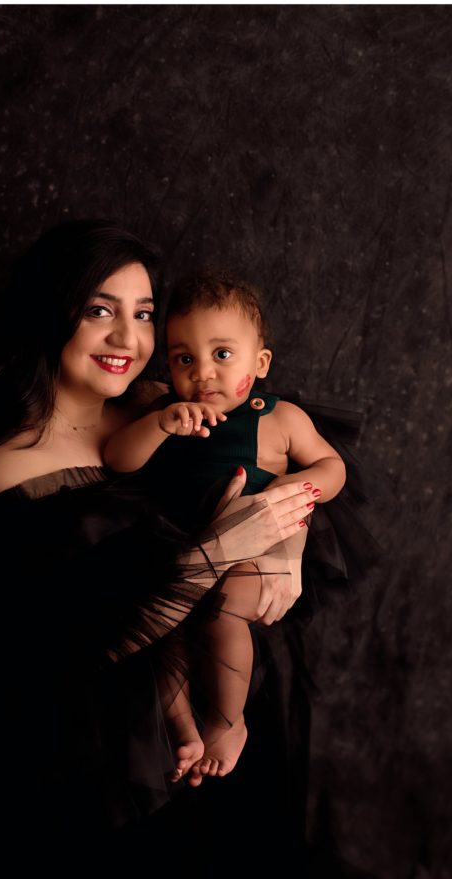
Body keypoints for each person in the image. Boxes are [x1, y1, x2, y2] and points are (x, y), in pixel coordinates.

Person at [0, 220, 315, 843]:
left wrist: (290, 546)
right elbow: (58, 650)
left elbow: (282, 461)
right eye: (100, 310)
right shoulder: (5, 474)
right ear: (51, 313)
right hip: (123, 757)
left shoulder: (163, 402)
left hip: (237, 701)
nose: (128, 337)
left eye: (145, 313)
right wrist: (212, 557)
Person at [103, 271, 346, 785]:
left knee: (221, 613)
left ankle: (227, 721)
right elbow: (118, 459)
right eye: (184, 358)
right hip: (181, 547)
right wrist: (161, 425)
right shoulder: (172, 415)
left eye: (221, 355)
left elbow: (333, 467)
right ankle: (182, 723)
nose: (202, 374)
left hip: (250, 553)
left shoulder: (279, 418)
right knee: (162, 635)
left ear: (259, 363)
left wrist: (300, 488)